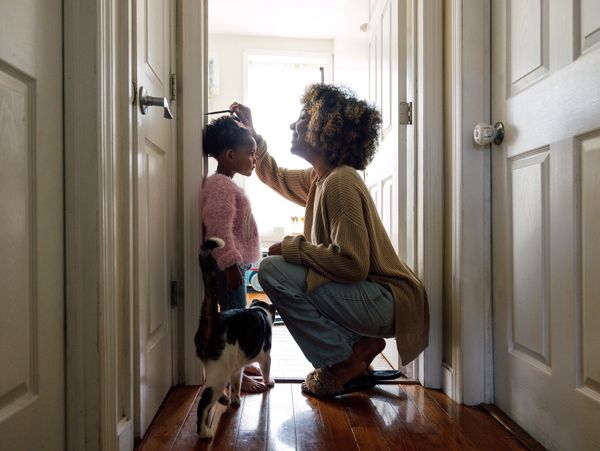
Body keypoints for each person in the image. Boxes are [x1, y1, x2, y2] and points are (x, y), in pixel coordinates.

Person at [229, 84, 429, 397]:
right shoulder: (320, 179)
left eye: (303, 119)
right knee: (285, 271)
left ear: (327, 128)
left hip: (388, 301)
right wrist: (254, 134)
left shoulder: (340, 182)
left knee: (272, 270)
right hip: (374, 299)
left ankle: (345, 361)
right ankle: (358, 350)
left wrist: (294, 249)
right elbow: (275, 175)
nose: (293, 126)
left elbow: (352, 265)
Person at [201, 115, 266, 393]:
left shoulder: (226, 183)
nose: (254, 159)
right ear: (229, 155)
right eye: (250, 154)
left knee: (236, 318)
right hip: (226, 266)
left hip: (233, 265)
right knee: (234, 323)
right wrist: (229, 265)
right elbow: (218, 229)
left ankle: (237, 365)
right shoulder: (220, 186)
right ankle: (230, 376)